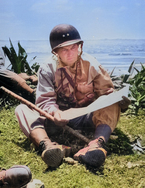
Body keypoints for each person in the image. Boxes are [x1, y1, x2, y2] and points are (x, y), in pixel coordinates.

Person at [15, 24, 130, 168]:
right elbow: (45, 100)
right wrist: (55, 113)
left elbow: (106, 94)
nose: (70, 53)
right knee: (22, 110)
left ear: (80, 46)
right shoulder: (47, 68)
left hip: (86, 119)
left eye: (73, 47)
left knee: (111, 102)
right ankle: (48, 147)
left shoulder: (93, 65)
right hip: (55, 121)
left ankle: (96, 145)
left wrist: (117, 100)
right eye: (64, 49)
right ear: (56, 52)